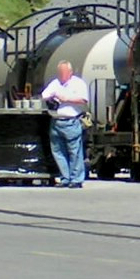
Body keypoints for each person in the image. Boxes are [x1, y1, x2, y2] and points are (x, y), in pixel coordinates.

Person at [41, 60, 89, 188]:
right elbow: (44, 95)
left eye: (64, 72)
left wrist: (66, 99)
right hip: (56, 121)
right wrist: (54, 96)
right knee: (58, 152)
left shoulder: (78, 84)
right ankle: (65, 178)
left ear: (70, 72)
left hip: (71, 121)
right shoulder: (55, 83)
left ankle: (76, 179)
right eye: (60, 72)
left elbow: (83, 99)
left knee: (74, 152)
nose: (62, 75)